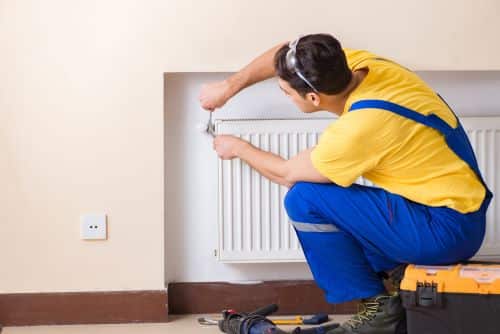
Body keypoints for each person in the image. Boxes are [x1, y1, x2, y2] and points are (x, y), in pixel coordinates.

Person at [198, 33, 493, 334]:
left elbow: (287, 174)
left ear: (313, 98)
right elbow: (288, 53)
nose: (283, 94)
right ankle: (395, 288)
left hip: (445, 231)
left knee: (305, 198)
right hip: (451, 213)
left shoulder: (361, 126)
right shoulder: (366, 67)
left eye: (286, 92)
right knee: (338, 202)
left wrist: (237, 148)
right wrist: (228, 87)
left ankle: (379, 312)